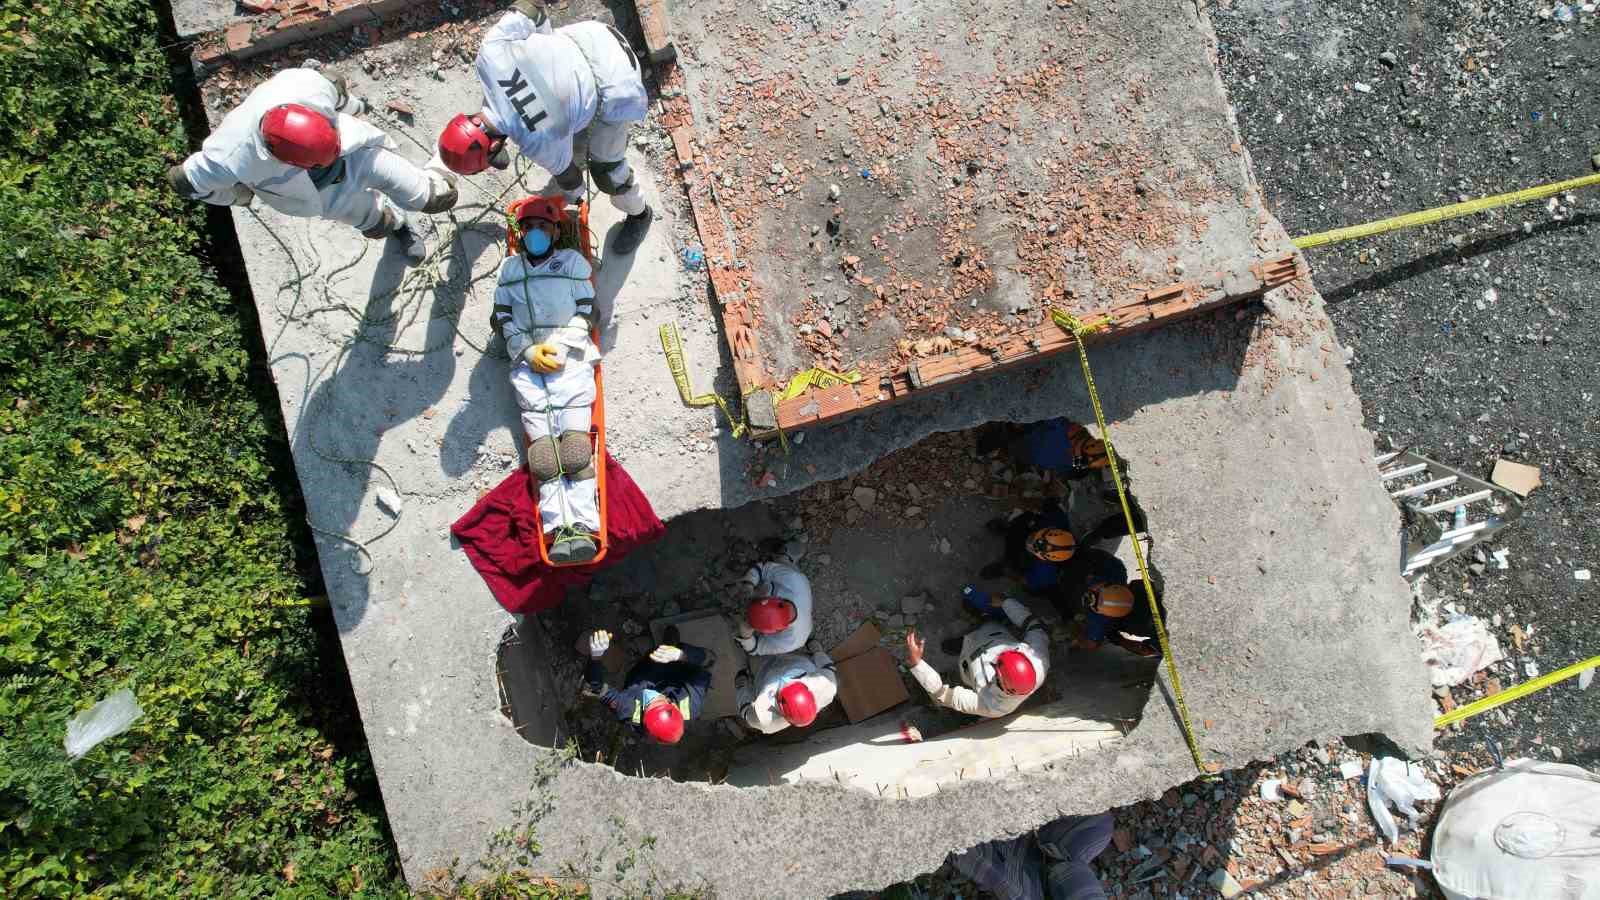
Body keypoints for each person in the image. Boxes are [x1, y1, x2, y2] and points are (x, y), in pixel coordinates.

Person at [167, 67, 456, 265]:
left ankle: (451, 151)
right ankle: (400, 228)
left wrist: (358, 108)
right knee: (375, 223)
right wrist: (234, 196)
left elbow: (337, 90)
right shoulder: (228, 155)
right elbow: (185, 182)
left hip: (357, 155)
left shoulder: (305, 87)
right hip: (321, 195)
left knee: (436, 197)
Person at [437, 0, 654, 255]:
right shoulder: (488, 55)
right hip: (592, 36)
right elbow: (531, 8)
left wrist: (577, 200)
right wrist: (548, 49)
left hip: (618, 81)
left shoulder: (537, 142)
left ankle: (640, 214)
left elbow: (571, 178)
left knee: (609, 174)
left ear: (495, 147)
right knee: (556, 115)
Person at [493, 196, 601, 563]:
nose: (535, 233)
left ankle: (585, 526)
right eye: (529, 228)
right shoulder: (510, 270)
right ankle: (558, 531)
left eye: (543, 226)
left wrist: (560, 346)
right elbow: (503, 317)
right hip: (529, 366)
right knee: (543, 460)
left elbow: (587, 312)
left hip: (568, 362)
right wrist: (526, 351)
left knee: (573, 453)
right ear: (520, 234)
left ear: (556, 231)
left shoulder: (572, 263)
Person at [905, 590, 1049, 718]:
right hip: (991, 634)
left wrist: (917, 664)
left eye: (995, 666)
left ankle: (963, 643)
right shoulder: (1037, 659)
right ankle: (982, 619)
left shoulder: (994, 706)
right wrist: (1007, 603)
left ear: (1002, 683)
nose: (992, 661)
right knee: (986, 625)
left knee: (963, 648)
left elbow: (942, 694)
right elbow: (1035, 626)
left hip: (969, 662)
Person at [583, 626, 714, 745]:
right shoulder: (692, 704)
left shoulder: (629, 710)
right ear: (672, 705)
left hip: (646, 674)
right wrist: (681, 655)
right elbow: (709, 660)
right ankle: (670, 645)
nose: (652, 697)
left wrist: (596, 656)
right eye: (660, 701)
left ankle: (663, 649)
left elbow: (595, 689)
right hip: (671, 669)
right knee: (666, 655)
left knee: (649, 664)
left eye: (649, 704)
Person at [948, 813, 1114, 900]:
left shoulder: (1015, 888)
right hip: (1057, 857)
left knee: (975, 856)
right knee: (1100, 826)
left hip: (1018, 868)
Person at [1056, 548, 1165, 658]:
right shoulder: (1125, 578)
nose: (1088, 595)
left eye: (1091, 598)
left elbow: (1090, 644)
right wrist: (1118, 639)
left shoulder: (1099, 622)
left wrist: (1072, 624)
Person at [735, 640, 838, 735]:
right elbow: (827, 667)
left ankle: (744, 646)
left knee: (751, 657)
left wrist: (742, 685)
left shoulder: (764, 719)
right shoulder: (826, 687)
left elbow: (746, 710)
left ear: (780, 704)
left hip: (764, 671)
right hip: (794, 659)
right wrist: (817, 651)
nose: (786, 682)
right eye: (794, 681)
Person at [980, 498, 1077, 596]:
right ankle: (1008, 528)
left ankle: (1002, 568)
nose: (1029, 543)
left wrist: (1010, 572)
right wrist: (1029, 508)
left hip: (1027, 561)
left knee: (1015, 566)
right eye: (1034, 538)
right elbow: (1041, 507)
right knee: (1023, 522)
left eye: (1033, 547)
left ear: (1045, 558)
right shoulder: (1057, 520)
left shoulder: (1044, 574)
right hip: (1033, 532)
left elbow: (1024, 581)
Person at [736, 544, 813, 656]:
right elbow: (764, 568)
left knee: (778, 569)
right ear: (775, 598)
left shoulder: (791, 642)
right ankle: (787, 556)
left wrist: (746, 637)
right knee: (780, 561)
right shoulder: (793, 579)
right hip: (794, 579)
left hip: (803, 624)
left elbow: (757, 649)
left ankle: (786, 558)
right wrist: (749, 583)